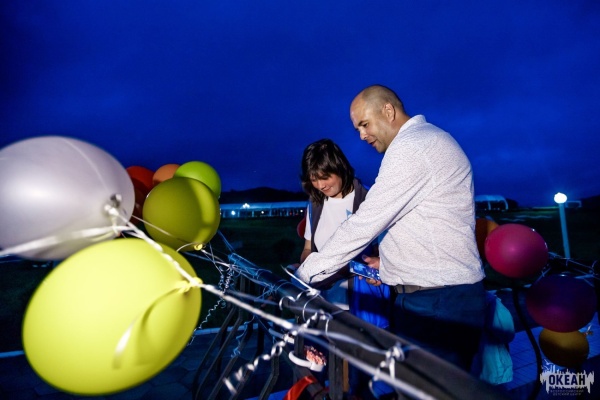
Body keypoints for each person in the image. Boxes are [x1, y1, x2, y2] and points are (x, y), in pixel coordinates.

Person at [295, 85, 487, 375]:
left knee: (430, 390)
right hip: (436, 296)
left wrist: (304, 276)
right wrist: (387, 263)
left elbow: (365, 223)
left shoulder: (413, 148)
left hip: (438, 301)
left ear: (388, 111)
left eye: (364, 124)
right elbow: (425, 225)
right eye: (357, 129)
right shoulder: (426, 140)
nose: (362, 135)